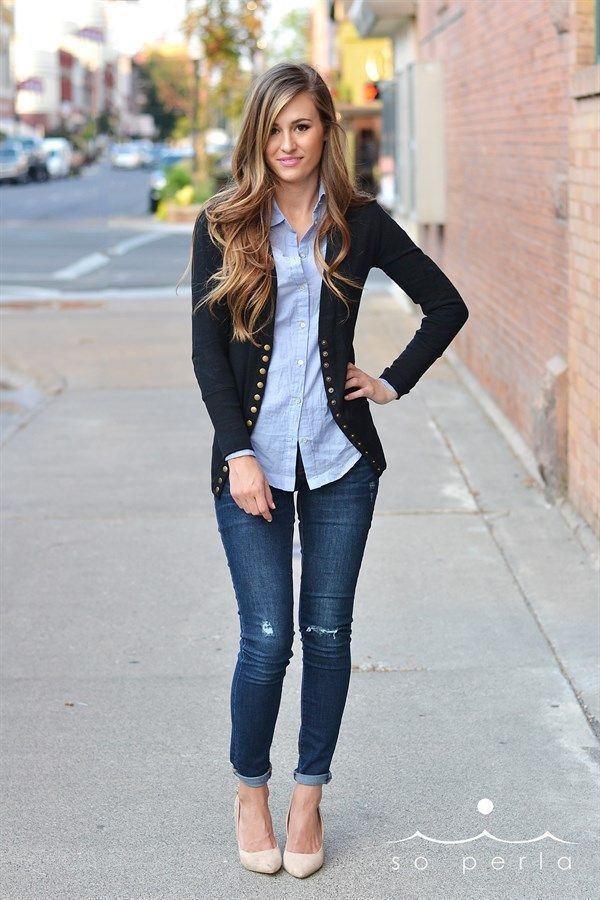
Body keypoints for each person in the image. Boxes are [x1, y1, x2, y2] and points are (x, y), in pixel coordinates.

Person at [187, 62, 469, 878]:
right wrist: (238, 453)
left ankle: (308, 797)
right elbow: (207, 352)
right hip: (253, 467)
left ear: (325, 132)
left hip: (342, 463)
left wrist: (390, 380)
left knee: (328, 633)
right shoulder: (223, 223)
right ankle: (251, 789)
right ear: (257, 136)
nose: (287, 143)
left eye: (302, 126)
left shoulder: (361, 222)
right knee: (268, 639)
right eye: (274, 129)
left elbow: (445, 304)